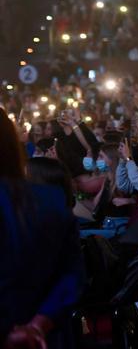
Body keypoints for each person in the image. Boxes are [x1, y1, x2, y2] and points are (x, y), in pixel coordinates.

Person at [1, 107, 84, 349]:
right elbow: (72, 275)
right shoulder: (51, 201)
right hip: (43, 335)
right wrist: (39, 323)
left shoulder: (47, 202)